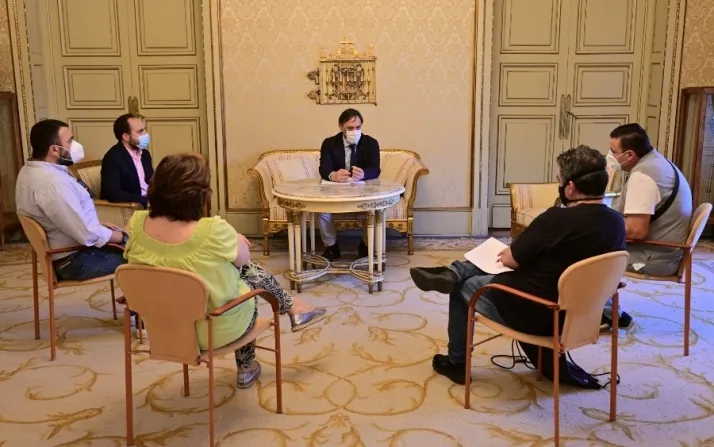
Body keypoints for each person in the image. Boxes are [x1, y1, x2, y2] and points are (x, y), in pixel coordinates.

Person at [409, 146, 626, 385]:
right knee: (497, 265)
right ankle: (454, 272)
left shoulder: (555, 219)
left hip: (535, 311)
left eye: (559, 181)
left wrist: (510, 254)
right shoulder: (616, 222)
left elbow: (511, 260)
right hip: (582, 315)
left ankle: (457, 362)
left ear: (571, 187)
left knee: (464, 288)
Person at [123, 153, 327, 388]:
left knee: (228, 275)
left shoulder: (135, 224)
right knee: (245, 284)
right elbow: (243, 260)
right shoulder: (213, 230)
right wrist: (236, 238)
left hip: (162, 329)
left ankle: (291, 307)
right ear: (200, 193)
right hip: (215, 330)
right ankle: (249, 363)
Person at [602, 123, 693, 328]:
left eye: (613, 152)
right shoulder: (658, 162)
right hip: (666, 251)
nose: (610, 156)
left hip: (653, 257)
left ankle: (608, 316)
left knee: (583, 251)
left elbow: (636, 231)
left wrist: (598, 229)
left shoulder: (643, 177)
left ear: (629, 155)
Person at [16, 119, 127, 281]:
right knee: (147, 258)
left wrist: (98, 225)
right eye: (70, 141)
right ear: (54, 149)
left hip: (69, 250)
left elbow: (64, 219)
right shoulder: (54, 184)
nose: (75, 145)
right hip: (75, 260)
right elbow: (86, 234)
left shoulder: (30, 170)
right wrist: (123, 236)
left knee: (139, 246)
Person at [317, 108, 381, 261]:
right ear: (341, 126)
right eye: (350, 128)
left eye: (358, 127)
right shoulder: (329, 143)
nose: (355, 131)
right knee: (322, 210)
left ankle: (365, 244)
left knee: (374, 208)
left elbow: (375, 168)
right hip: (336, 189)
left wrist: (364, 174)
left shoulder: (371, 143)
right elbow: (323, 168)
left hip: (362, 189)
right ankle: (331, 246)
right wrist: (333, 175)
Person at [100, 113, 154, 208]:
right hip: (134, 206)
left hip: (152, 201)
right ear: (126, 137)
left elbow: (151, 182)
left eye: (144, 129)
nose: (145, 134)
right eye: (140, 131)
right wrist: (146, 201)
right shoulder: (113, 158)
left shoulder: (145, 154)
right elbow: (113, 193)